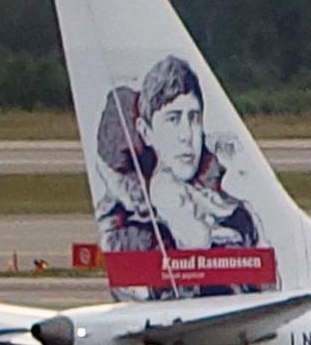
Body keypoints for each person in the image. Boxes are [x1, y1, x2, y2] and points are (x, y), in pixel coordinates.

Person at [94, 55, 261, 257]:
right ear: (145, 132)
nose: (187, 135)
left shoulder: (235, 215)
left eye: (194, 118)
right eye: (173, 119)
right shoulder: (138, 234)